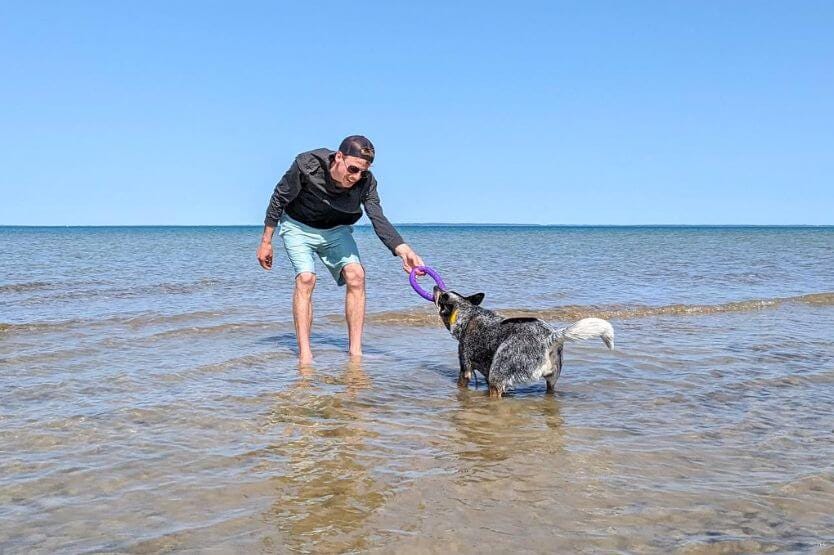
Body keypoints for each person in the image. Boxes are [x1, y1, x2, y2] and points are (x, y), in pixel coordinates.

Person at [257, 135, 424, 365]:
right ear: (339, 157)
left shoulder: (365, 181)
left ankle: (355, 353)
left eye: (362, 172)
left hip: (336, 229)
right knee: (306, 279)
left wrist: (402, 249)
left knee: (357, 275)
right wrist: (266, 242)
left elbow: (376, 215)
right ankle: (305, 356)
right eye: (353, 169)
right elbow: (279, 198)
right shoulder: (307, 164)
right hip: (298, 227)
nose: (356, 177)